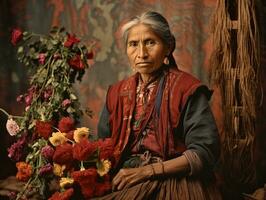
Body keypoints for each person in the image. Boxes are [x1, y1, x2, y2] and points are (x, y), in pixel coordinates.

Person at [96, 11, 222, 199]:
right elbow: (102, 149)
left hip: (174, 181)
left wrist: (148, 171)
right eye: (133, 44)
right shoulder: (116, 93)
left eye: (150, 42)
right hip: (124, 180)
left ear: (168, 47)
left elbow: (204, 153)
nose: (141, 54)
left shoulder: (186, 89)